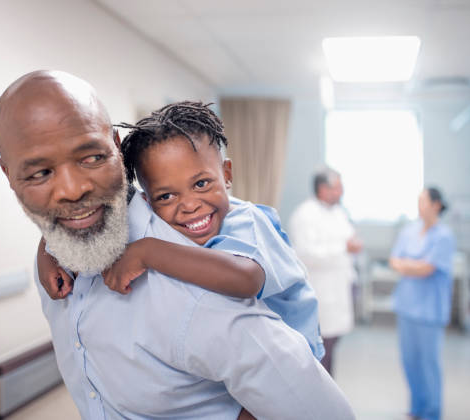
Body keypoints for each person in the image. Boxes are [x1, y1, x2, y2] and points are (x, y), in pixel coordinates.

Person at [0, 70, 355, 420]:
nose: (72, 190)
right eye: (40, 173)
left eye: (91, 158)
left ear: (115, 150)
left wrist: (150, 252)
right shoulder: (64, 250)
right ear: (9, 175)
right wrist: (46, 248)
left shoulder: (204, 275)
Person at [38, 101, 324, 360]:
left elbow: (245, 278)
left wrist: (147, 252)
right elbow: (92, 214)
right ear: (148, 201)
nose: (189, 205)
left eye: (201, 184)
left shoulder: (246, 221)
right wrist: (48, 253)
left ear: (227, 174)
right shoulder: (163, 217)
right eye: (166, 196)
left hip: (293, 356)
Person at [389, 187, 456, 420]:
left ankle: (432, 413)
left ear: (436, 205)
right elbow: (394, 261)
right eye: (418, 201)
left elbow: (428, 268)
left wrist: (409, 265)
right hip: (407, 306)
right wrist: (414, 265)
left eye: (423, 201)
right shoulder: (409, 231)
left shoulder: (444, 236)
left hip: (429, 311)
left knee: (429, 365)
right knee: (410, 361)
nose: (420, 206)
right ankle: (417, 408)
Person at [288, 167, 362, 376]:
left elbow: (348, 239)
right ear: (322, 189)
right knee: (319, 353)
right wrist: (344, 249)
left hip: (339, 290)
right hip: (320, 292)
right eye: (337, 188)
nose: (341, 192)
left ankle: (328, 397)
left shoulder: (339, 212)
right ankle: (318, 400)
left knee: (331, 348)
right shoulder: (305, 214)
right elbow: (306, 254)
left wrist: (352, 245)